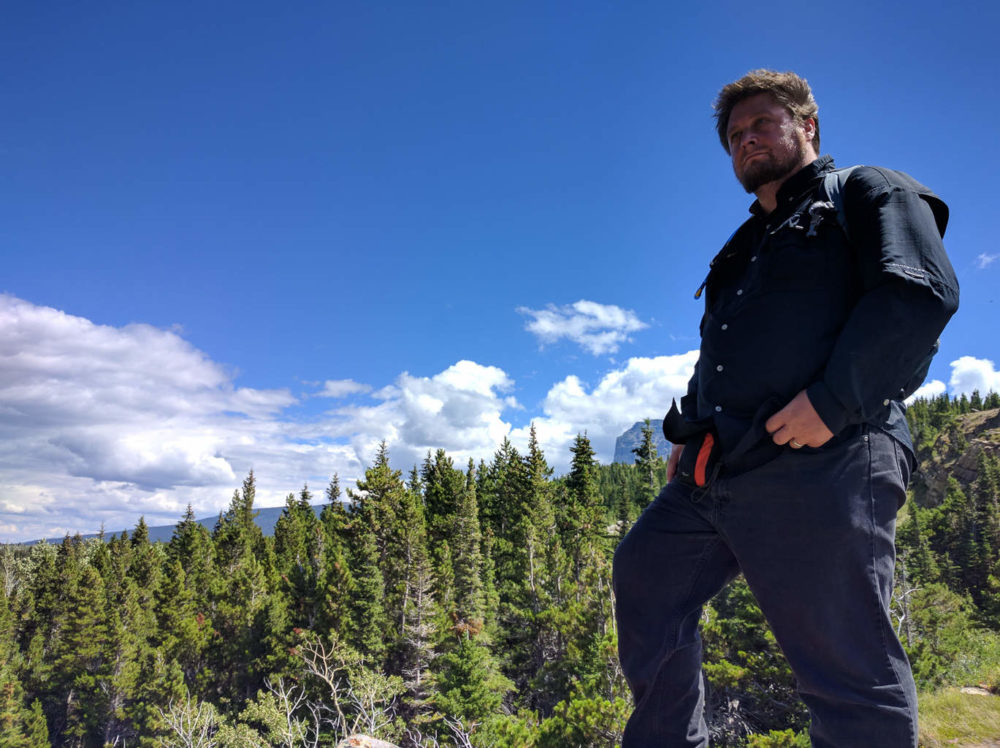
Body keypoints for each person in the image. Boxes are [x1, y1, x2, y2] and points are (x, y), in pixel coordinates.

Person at [612, 70, 959, 747]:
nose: (747, 141)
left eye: (762, 124)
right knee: (646, 577)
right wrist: (688, 430)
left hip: (826, 458)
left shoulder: (865, 190)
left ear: (808, 127)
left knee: (844, 660)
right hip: (718, 469)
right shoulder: (741, 248)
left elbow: (918, 294)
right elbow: (724, 349)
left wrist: (832, 403)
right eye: (735, 136)